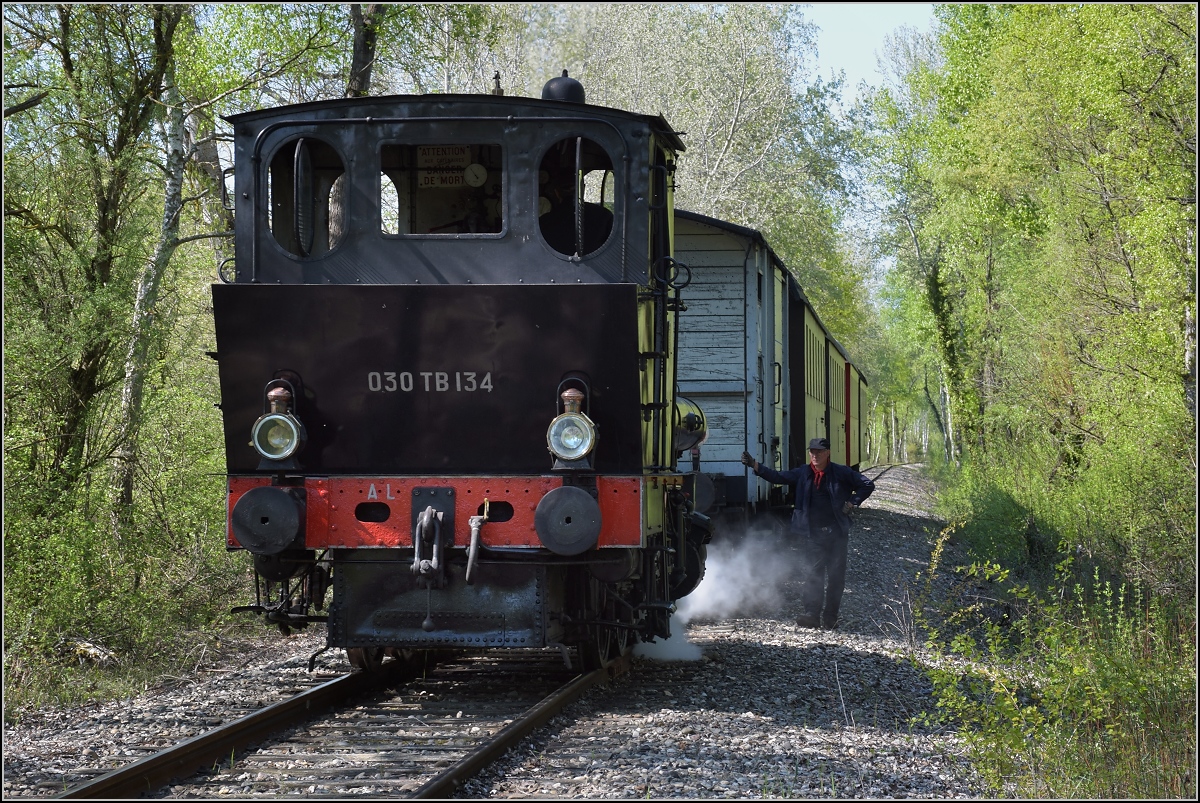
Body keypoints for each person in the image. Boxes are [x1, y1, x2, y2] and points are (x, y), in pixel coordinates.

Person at [741, 437, 875, 629]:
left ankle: (831, 618)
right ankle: (811, 615)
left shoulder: (841, 472)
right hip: (813, 534)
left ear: (827, 453)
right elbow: (779, 477)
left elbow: (867, 484)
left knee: (836, 577)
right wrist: (755, 465)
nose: (815, 455)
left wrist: (854, 501)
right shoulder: (803, 473)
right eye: (812, 451)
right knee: (813, 574)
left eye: (819, 452)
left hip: (837, 533)